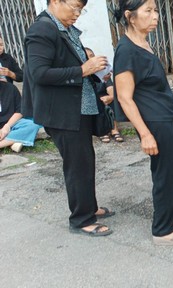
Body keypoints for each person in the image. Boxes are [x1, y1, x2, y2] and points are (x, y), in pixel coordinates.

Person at [22, 0, 115, 237]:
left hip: (77, 108)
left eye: (81, 8)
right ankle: (81, 219)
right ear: (55, 1)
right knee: (77, 165)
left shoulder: (63, 28)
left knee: (85, 160)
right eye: (74, 6)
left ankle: (89, 206)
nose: (77, 13)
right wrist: (84, 69)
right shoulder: (42, 29)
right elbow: (38, 73)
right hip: (61, 112)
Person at [113, 0, 173, 246]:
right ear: (130, 16)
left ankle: (167, 216)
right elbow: (125, 98)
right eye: (148, 11)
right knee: (164, 172)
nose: (155, 15)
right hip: (153, 122)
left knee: (170, 171)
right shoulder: (126, 50)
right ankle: (162, 230)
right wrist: (145, 134)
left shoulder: (142, 43)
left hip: (162, 117)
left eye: (155, 10)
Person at [85, 47, 124, 143]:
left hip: (104, 99)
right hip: (91, 99)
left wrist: (110, 97)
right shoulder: (84, 76)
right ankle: (102, 131)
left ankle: (114, 129)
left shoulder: (102, 72)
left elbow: (110, 89)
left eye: (92, 56)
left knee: (112, 99)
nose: (90, 59)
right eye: (87, 57)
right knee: (97, 103)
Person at [0, 82, 42, 153]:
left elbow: (20, 111)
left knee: (33, 124)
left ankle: (5, 143)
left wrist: (7, 126)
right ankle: (14, 140)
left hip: (11, 123)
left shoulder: (10, 88)